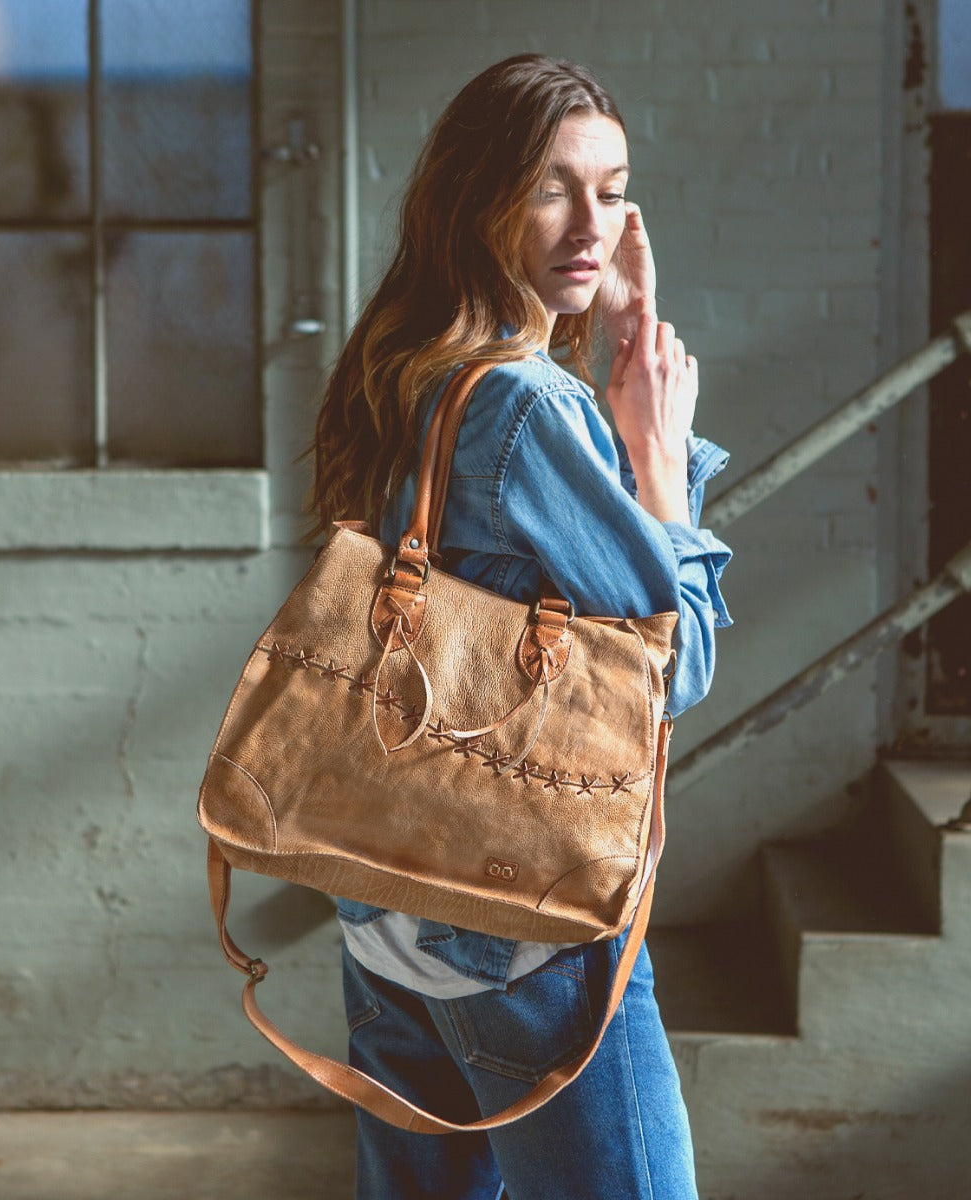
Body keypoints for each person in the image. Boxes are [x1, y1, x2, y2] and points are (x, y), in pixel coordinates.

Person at [308, 53, 732, 1200]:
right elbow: (674, 664)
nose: (588, 221)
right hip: (522, 941)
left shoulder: (404, 371)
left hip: (391, 920)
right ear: (476, 197)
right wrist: (655, 460)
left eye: (612, 186)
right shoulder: (524, 402)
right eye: (551, 187)